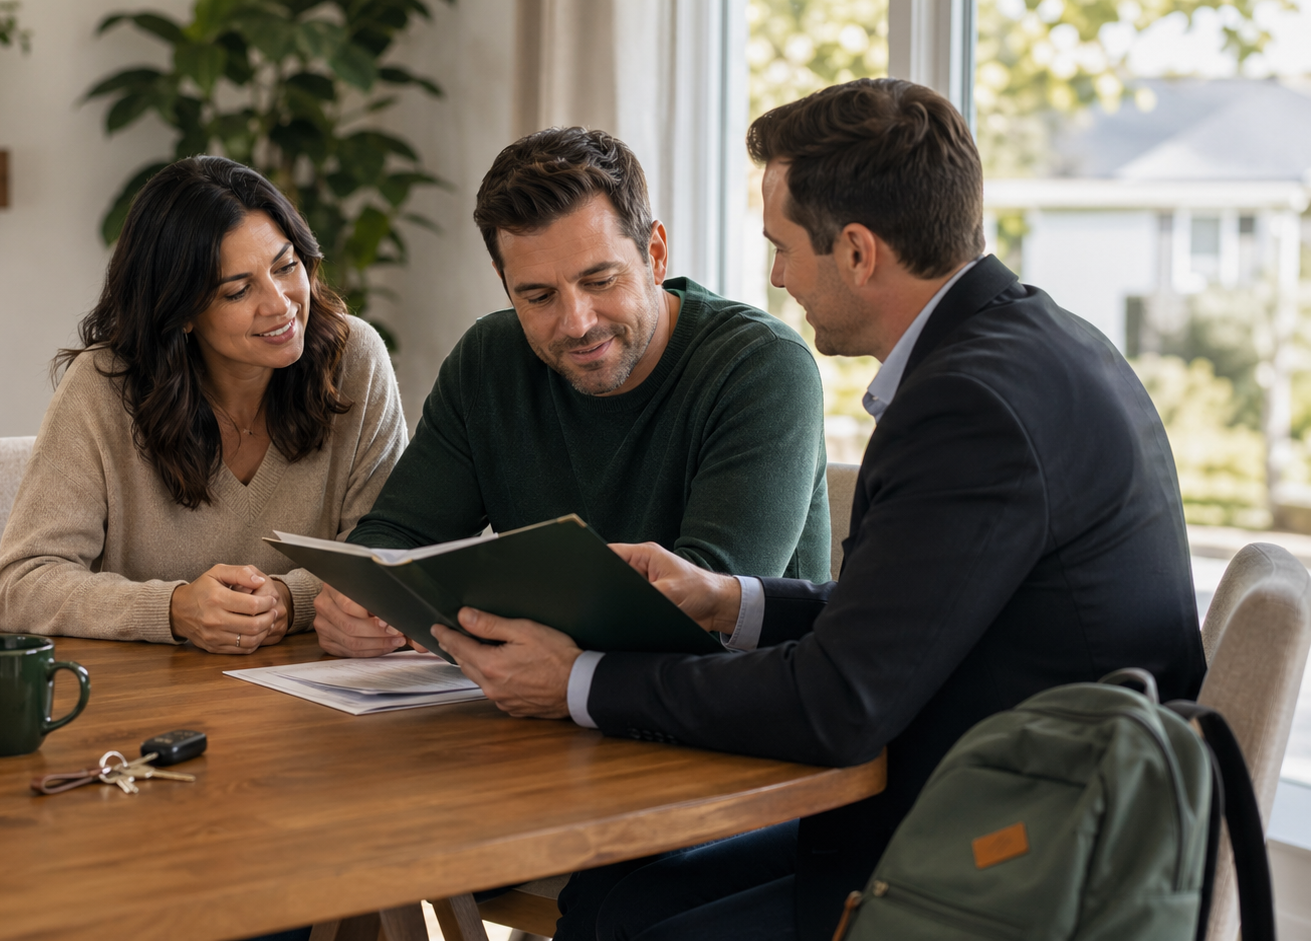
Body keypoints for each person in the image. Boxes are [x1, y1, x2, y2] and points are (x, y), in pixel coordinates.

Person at [429, 79, 1208, 941]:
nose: (776, 276)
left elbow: (839, 702)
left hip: (1017, 859)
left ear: (861, 252)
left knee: (625, 924)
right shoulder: (1032, 343)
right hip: (1000, 801)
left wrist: (577, 682)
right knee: (613, 900)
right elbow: (907, 614)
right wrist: (730, 599)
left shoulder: (970, 406)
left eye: (783, 246)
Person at [311, 126, 833, 659]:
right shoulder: (488, 359)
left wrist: (473, 618)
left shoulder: (761, 368)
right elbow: (397, 536)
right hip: (544, 710)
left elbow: (699, 610)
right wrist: (360, 603)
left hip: (729, 716)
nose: (577, 323)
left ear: (654, 254)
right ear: (504, 280)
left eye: (601, 281)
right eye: (538, 296)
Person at [0, 156, 408, 656]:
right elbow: (22, 584)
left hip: (314, 696)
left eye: (286, 266)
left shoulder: (354, 358)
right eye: (238, 290)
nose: (281, 304)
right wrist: (175, 609)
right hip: (148, 703)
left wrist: (286, 600)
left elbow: (387, 551)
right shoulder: (103, 390)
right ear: (182, 311)